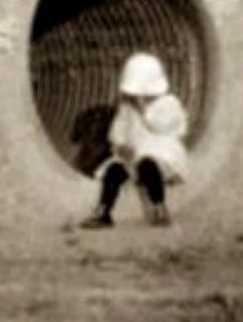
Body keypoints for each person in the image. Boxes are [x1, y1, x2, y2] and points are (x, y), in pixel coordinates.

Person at [80, 52, 188, 229]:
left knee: (148, 165)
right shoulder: (127, 108)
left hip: (162, 157)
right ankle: (103, 211)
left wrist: (143, 108)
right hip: (133, 155)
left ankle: (159, 208)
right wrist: (120, 146)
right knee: (114, 170)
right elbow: (117, 131)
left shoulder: (169, 103)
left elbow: (160, 125)